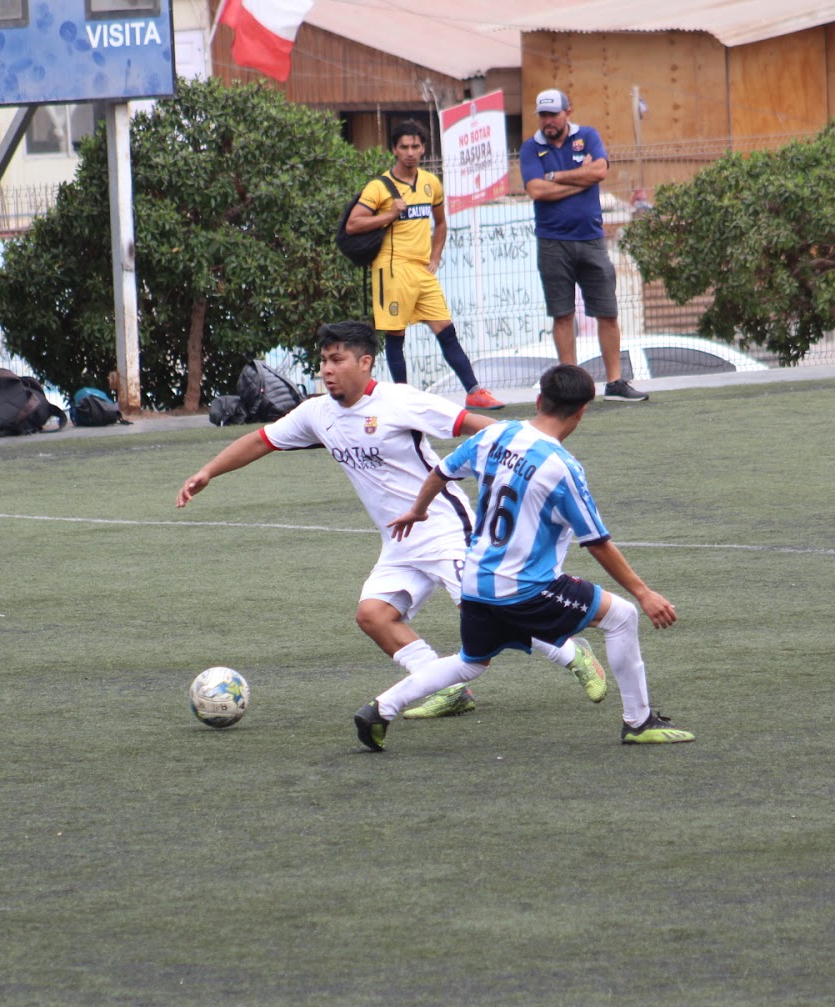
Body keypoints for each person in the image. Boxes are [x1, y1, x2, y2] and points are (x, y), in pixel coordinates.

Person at [177, 320, 605, 721]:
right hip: (398, 541)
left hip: (445, 528)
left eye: (337, 359)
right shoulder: (316, 413)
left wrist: (523, 459)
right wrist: (208, 472)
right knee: (374, 615)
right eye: (323, 360)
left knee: (495, 612)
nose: (327, 370)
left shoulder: (400, 401)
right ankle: (448, 688)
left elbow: (477, 425)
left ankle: (573, 653)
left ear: (365, 362)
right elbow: (261, 440)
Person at [355, 363, 692, 752]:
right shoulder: (562, 468)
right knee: (623, 616)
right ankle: (638, 721)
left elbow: (441, 472)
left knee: (470, 663)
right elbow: (597, 542)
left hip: (475, 584)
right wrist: (644, 593)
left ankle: (381, 708)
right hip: (525, 590)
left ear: (538, 400)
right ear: (582, 412)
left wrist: (418, 510)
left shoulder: (495, 433)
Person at [344, 119, 504, 411]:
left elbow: (441, 223)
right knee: (396, 335)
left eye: (415, 146)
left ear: (423, 148)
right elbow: (353, 224)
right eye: (404, 147)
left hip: (421, 271)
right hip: (392, 270)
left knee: (446, 330)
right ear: (394, 149)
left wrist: (436, 257)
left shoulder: (431, 183)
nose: (410, 152)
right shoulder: (380, 187)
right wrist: (388, 215)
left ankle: (474, 391)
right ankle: (403, 400)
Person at [519, 89, 647, 403]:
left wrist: (556, 176)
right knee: (562, 315)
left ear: (568, 112)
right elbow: (537, 190)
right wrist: (581, 181)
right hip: (552, 242)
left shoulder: (587, 136)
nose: (548, 121)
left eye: (553, 114)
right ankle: (570, 388)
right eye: (543, 115)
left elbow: (599, 170)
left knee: (607, 312)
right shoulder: (531, 148)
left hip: (591, 239)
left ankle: (614, 383)